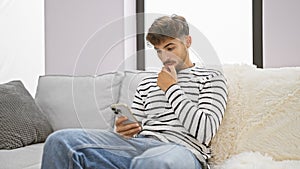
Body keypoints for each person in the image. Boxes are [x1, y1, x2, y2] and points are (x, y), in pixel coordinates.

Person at [41, 14, 228, 169]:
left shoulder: (211, 78)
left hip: (181, 150)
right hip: (140, 145)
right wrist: (125, 130)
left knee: (152, 162)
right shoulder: (147, 83)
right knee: (59, 141)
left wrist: (171, 88)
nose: (165, 57)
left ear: (187, 42)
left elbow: (204, 132)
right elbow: (135, 130)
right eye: (159, 51)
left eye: (170, 48)